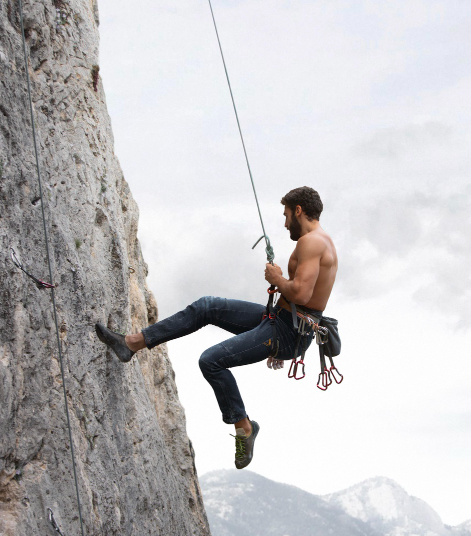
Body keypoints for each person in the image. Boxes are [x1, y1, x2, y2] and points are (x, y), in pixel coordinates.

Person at [95, 186, 338, 469]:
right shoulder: (318, 242)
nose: (284, 224)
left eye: (286, 216)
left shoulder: (313, 242)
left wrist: (277, 278)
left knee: (211, 361)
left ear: (298, 211)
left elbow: (302, 295)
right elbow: (300, 296)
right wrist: (281, 292)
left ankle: (243, 426)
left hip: (288, 331)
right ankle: (131, 343)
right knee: (207, 306)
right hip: (281, 322)